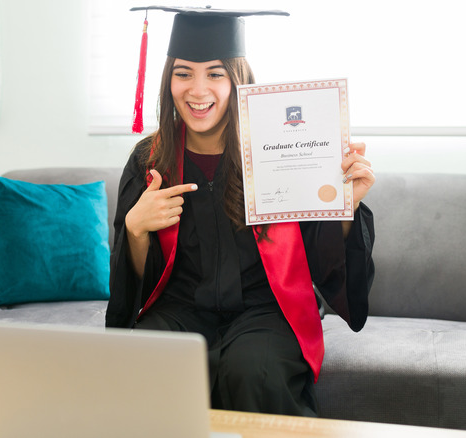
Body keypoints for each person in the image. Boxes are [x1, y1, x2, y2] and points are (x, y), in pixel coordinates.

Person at [106, 6, 375, 417]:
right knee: (146, 361)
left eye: (215, 73)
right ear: (167, 81)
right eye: (183, 73)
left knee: (255, 370)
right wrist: (136, 228)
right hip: (180, 310)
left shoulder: (279, 149)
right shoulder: (149, 160)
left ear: (238, 79)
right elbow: (137, 283)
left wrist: (344, 206)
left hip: (265, 310)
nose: (198, 90)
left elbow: (318, 255)